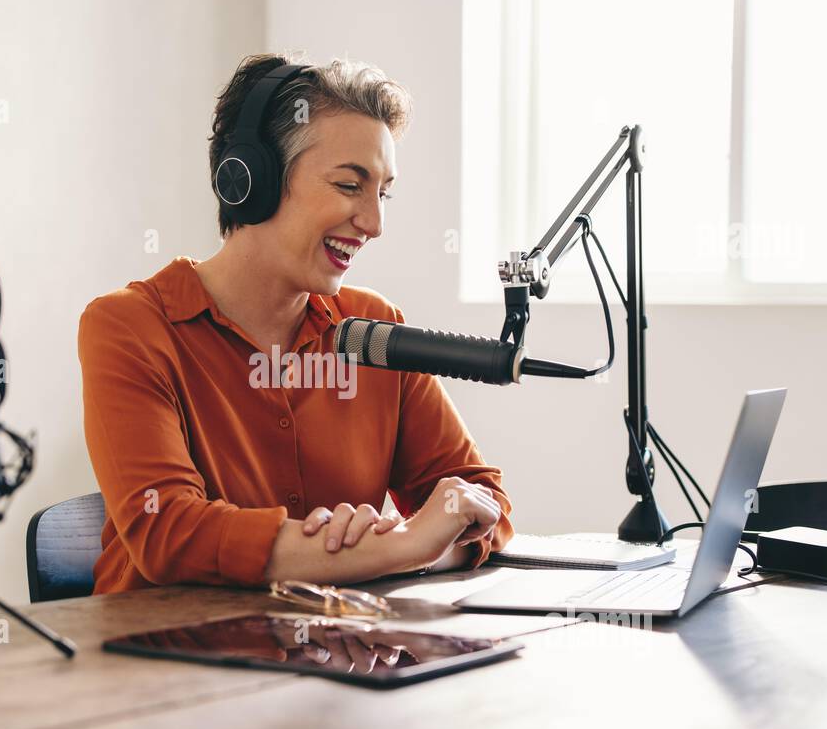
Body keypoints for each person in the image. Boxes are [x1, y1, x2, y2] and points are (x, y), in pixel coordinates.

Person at [78, 54, 514, 595]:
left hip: (337, 661)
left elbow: (481, 501)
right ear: (251, 181)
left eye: (384, 192)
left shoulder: (373, 326)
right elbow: (169, 532)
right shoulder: (130, 327)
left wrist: (422, 547)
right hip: (169, 663)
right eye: (350, 186)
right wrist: (400, 546)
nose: (375, 223)